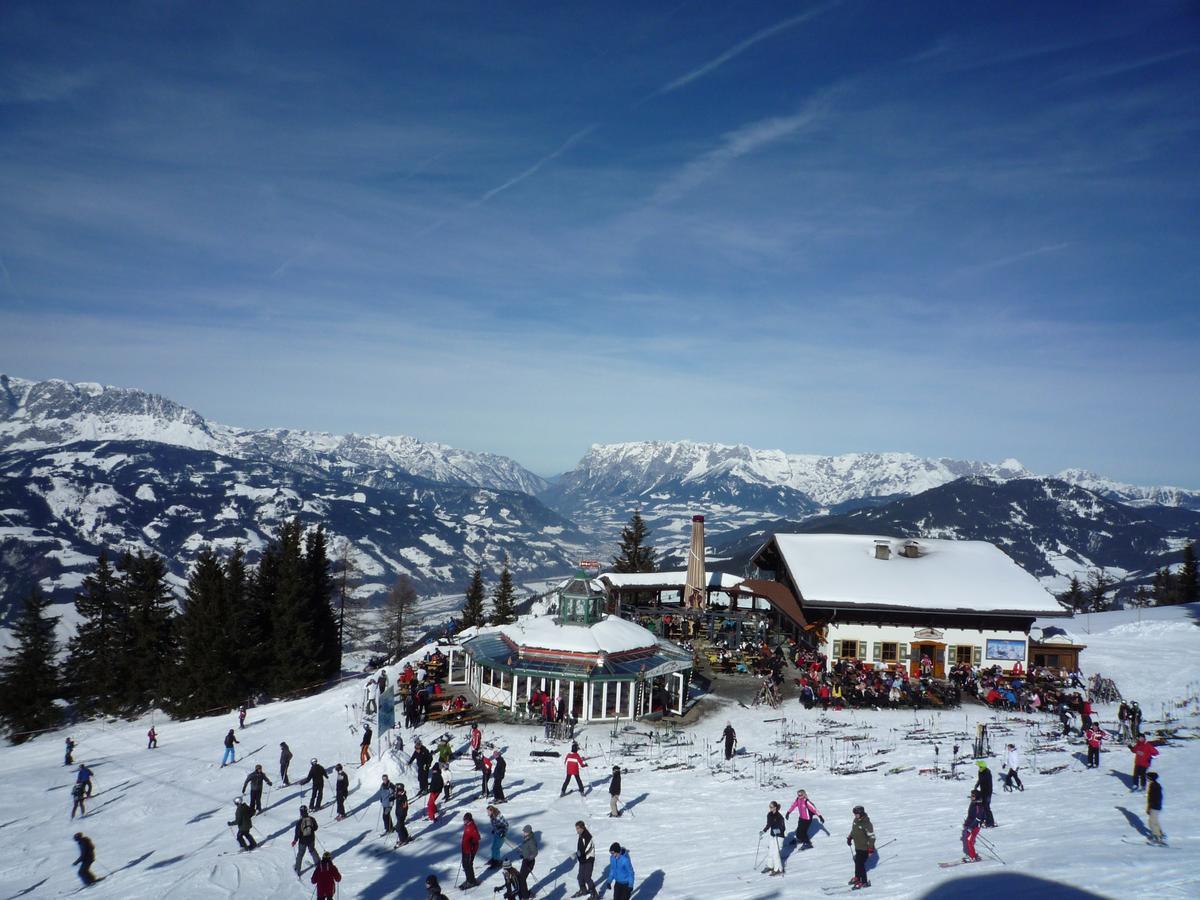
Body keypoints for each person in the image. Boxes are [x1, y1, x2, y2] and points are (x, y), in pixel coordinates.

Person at [846, 805, 876, 891]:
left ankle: (864, 882)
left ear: (861, 813)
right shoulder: (856, 820)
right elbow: (854, 830)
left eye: (857, 814)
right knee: (857, 862)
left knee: (860, 864)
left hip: (865, 848)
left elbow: (872, 837)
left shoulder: (867, 823)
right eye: (854, 813)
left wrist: (870, 849)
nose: (855, 815)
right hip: (858, 846)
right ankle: (857, 877)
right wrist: (849, 837)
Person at [292, 805, 320, 876]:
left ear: (300, 812)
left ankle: (297, 869)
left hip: (302, 841)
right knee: (312, 850)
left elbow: (297, 833)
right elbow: (316, 827)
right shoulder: (312, 819)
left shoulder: (299, 822)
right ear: (307, 811)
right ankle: (318, 864)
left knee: (300, 854)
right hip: (311, 839)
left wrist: (295, 841)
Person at [761, 800, 786, 876]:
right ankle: (770, 866)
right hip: (772, 835)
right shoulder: (769, 815)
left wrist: (777, 831)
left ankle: (778, 869)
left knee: (776, 854)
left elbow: (783, 828)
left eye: (771, 807)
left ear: (775, 807)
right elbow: (769, 824)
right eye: (769, 807)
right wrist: (763, 831)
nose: (770, 808)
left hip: (779, 836)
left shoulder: (780, 817)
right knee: (770, 852)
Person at [574, 821, 597, 899]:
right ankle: (583, 890)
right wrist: (578, 854)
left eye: (578, 828)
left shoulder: (587, 836)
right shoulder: (581, 836)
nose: (577, 830)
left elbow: (588, 849)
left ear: (582, 827)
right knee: (580, 876)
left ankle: (594, 893)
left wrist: (580, 855)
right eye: (576, 828)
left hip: (588, 859)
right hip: (582, 859)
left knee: (587, 877)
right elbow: (580, 848)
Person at [961, 790, 985, 862]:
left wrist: (971, 827)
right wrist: (967, 823)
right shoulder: (973, 803)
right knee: (968, 840)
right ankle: (973, 854)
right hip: (970, 825)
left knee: (969, 840)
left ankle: (972, 857)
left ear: (976, 796)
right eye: (971, 795)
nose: (971, 797)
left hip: (975, 827)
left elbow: (978, 818)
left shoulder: (979, 805)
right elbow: (971, 815)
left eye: (973, 796)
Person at [461, 812, 481, 888]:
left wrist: (472, 842)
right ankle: (469, 879)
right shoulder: (467, 826)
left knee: (468, 865)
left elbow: (478, 837)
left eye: (465, 820)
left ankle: (471, 881)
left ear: (469, 819)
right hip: (465, 849)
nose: (464, 821)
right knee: (465, 865)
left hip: (470, 850)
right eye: (464, 820)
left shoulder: (472, 827)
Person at [973, 760, 995, 827]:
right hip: (983, 791)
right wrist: (976, 785)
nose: (979, 768)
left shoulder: (987, 773)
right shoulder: (980, 772)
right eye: (979, 766)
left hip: (987, 792)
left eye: (980, 766)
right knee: (982, 806)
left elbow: (989, 784)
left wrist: (987, 794)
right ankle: (984, 820)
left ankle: (991, 822)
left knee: (986, 807)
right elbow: (980, 780)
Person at [1147, 772, 1165, 844]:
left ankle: (1156, 836)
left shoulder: (1154, 786)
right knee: (1155, 820)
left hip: (1154, 806)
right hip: (1156, 806)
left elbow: (1154, 797)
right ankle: (1160, 833)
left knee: (1152, 821)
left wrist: (1151, 806)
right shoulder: (1155, 785)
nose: (1147, 779)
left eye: (1147, 777)